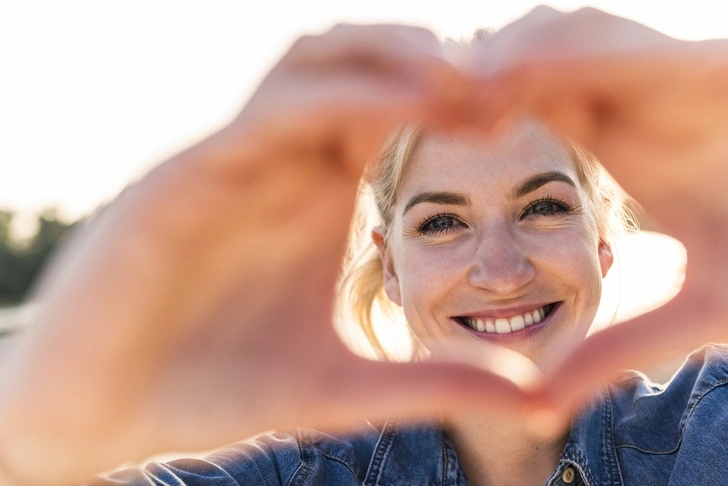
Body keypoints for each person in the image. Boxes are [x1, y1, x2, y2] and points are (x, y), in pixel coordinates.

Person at [0, 6, 727, 485]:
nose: (502, 271)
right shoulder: (298, 474)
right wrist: (32, 439)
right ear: (389, 269)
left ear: (603, 243)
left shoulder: (706, 432)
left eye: (542, 207)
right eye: (441, 222)